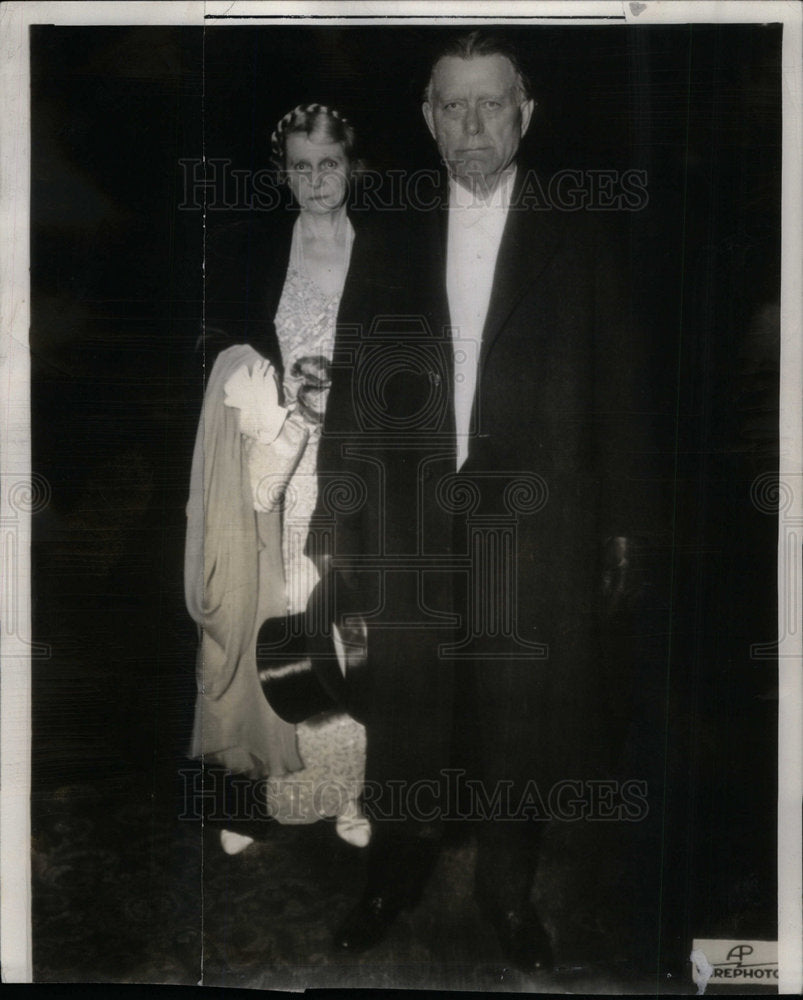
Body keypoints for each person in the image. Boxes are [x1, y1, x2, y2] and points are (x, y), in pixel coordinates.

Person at [315, 31, 655, 971]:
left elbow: (621, 386)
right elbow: (350, 382)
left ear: (524, 115)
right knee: (410, 706)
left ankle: (507, 892)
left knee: (523, 710)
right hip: (407, 520)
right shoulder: (389, 228)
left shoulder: (580, 229)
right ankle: (391, 875)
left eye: (490, 104)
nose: (471, 124)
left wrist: (625, 525)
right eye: (451, 105)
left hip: (536, 522)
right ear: (427, 120)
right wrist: (332, 522)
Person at [185, 103, 371, 854]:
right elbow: (214, 339)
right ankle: (249, 796)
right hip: (272, 465)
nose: (316, 181)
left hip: (353, 468)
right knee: (252, 627)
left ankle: (348, 794)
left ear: (351, 165)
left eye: (329, 164)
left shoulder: (383, 249)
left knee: (344, 632)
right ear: (283, 171)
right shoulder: (259, 246)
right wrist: (263, 388)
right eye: (300, 166)